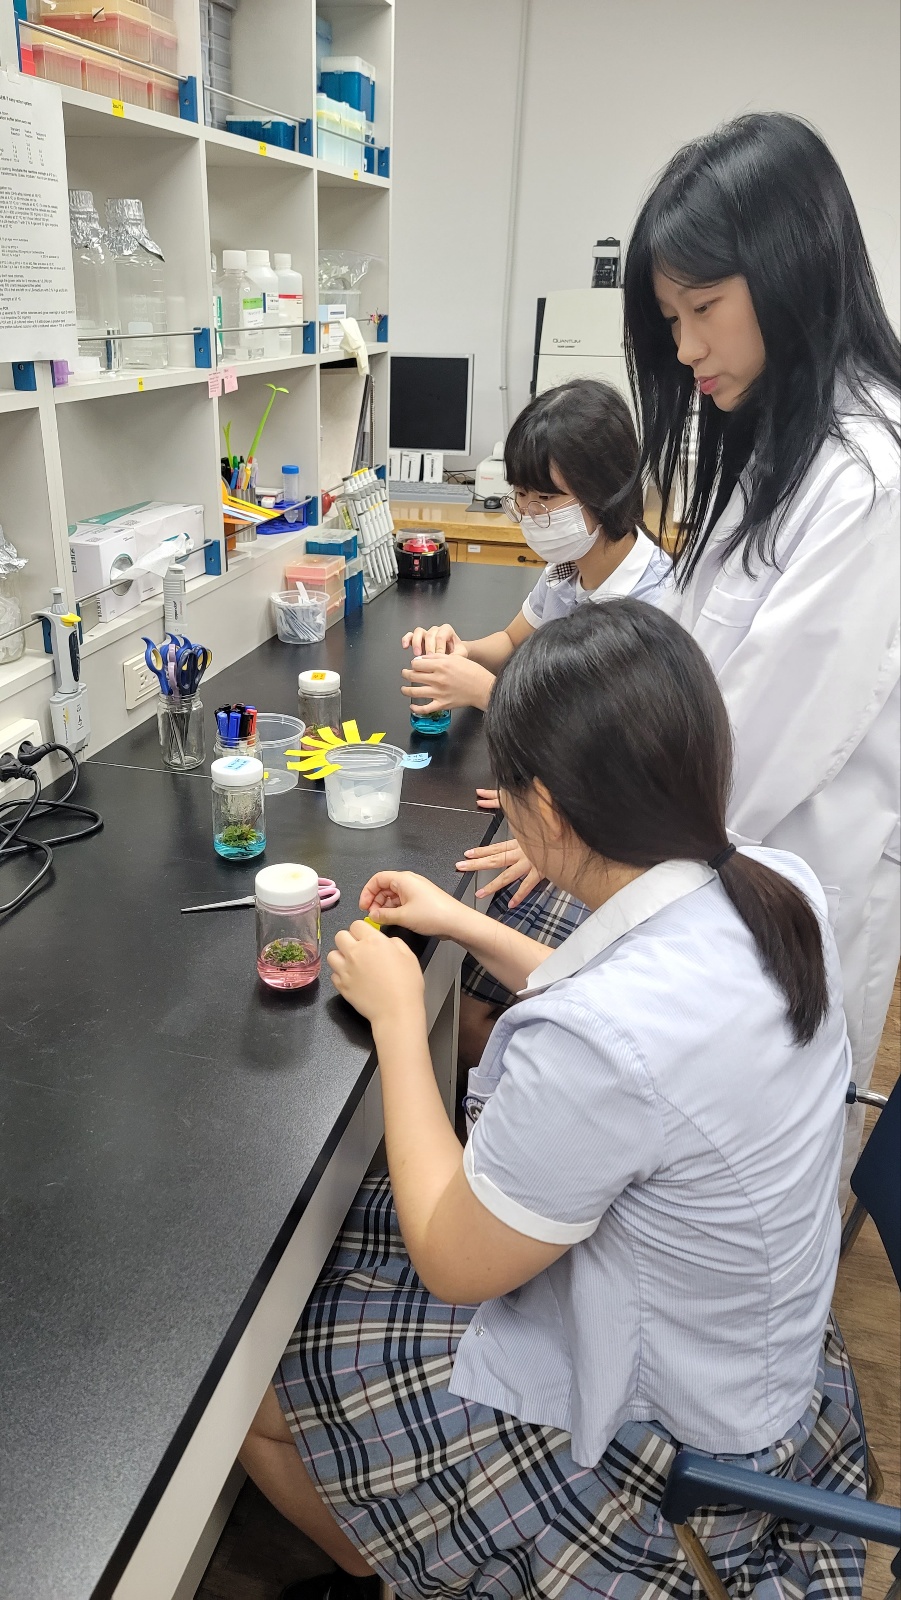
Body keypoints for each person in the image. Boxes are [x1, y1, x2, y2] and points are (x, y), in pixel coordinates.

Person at [240, 602, 863, 1600]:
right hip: (754, 1359)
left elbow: (453, 1263)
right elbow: (640, 1022)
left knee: (256, 1386)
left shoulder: (597, 1042)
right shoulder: (773, 885)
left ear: (549, 812)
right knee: (361, 1226)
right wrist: (465, 928)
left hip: (659, 1443)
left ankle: (382, 1564)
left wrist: (400, 1020)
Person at [620, 111, 899, 1186]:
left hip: (790, 886)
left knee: (756, 1191)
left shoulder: (868, 475)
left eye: (702, 309)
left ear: (790, 273)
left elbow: (764, 743)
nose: (684, 348)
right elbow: (693, 658)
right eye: (669, 318)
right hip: (718, 872)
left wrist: (599, 841)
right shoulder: (782, 442)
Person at [399, 378, 671, 1069]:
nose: (528, 514)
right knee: (449, 974)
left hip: (615, 838)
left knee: (467, 1015)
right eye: (521, 496)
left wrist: (487, 694)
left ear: (607, 489)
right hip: (561, 817)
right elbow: (514, 641)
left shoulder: (653, 604)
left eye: (545, 499)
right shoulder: (570, 569)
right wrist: (460, 651)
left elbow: (612, 752)